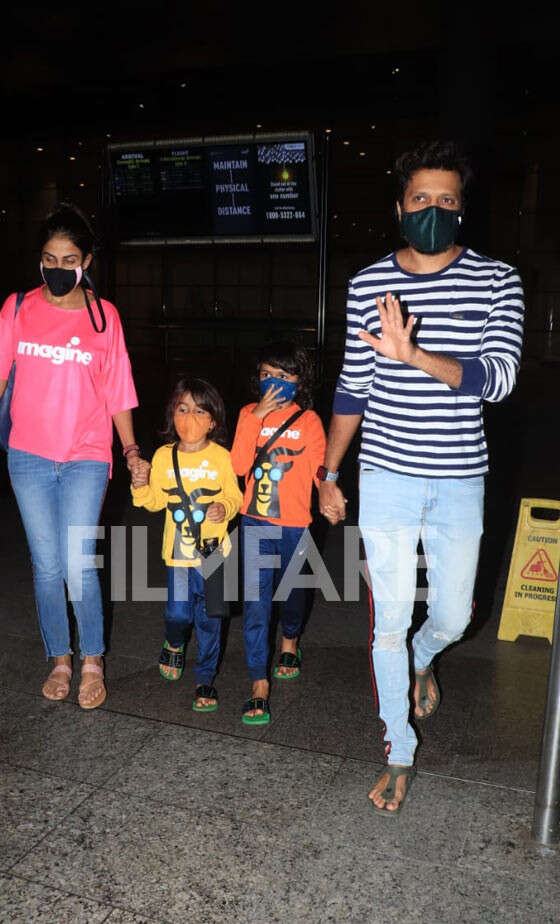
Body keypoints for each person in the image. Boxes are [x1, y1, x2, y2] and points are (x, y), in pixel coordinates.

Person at [319, 141, 524, 815]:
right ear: (398, 207)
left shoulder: (499, 281)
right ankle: (399, 752)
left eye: (447, 201)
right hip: (385, 475)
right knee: (387, 624)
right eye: (420, 199)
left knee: (457, 615)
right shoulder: (366, 283)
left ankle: (424, 658)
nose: (432, 210)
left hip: (462, 476)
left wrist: (415, 354)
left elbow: (499, 379)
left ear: (462, 211)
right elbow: (351, 388)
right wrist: (328, 471)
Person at [0, 203, 142, 709]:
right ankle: (60, 658)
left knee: (78, 563)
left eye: (68, 260)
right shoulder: (18, 309)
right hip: (29, 458)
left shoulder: (104, 317)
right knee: (45, 565)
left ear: (86, 262)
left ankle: (92, 659)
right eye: (48, 259)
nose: (57, 269)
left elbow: (118, 392)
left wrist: (130, 450)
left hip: (87, 455)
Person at [131, 378, 242, 712]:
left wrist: (226, 507)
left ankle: (205, 678)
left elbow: (235, 495)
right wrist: (140, 485)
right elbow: (152, 502)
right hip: (178, 554)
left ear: (213, 420)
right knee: (178, 612)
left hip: (213, 554)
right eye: (182, 409)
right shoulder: (164, 457)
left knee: (211, 619)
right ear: (171, 415)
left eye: (198, 410)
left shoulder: (222, 457)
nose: (189, 417)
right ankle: (175, 642)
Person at [231, 341, 326, 725]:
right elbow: (238, 465)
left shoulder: (310, 421)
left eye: (283, 376)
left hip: (295, 524)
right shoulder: (246, 414)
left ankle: (291, 639)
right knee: (256, 605)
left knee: (292, 597)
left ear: (298, 382)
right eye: (266, 375)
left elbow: (321, 470)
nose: (273, 383)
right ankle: (258, 683)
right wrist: (256, 417)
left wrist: (331, 495)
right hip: (255, 521)